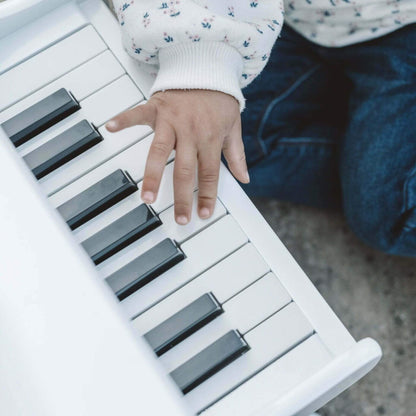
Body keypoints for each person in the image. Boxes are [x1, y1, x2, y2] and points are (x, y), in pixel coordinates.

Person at [107, 0, 416, 257]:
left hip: (404, 25)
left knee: (387, 212)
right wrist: (200, 56)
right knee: (226, 148)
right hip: (300, 18)